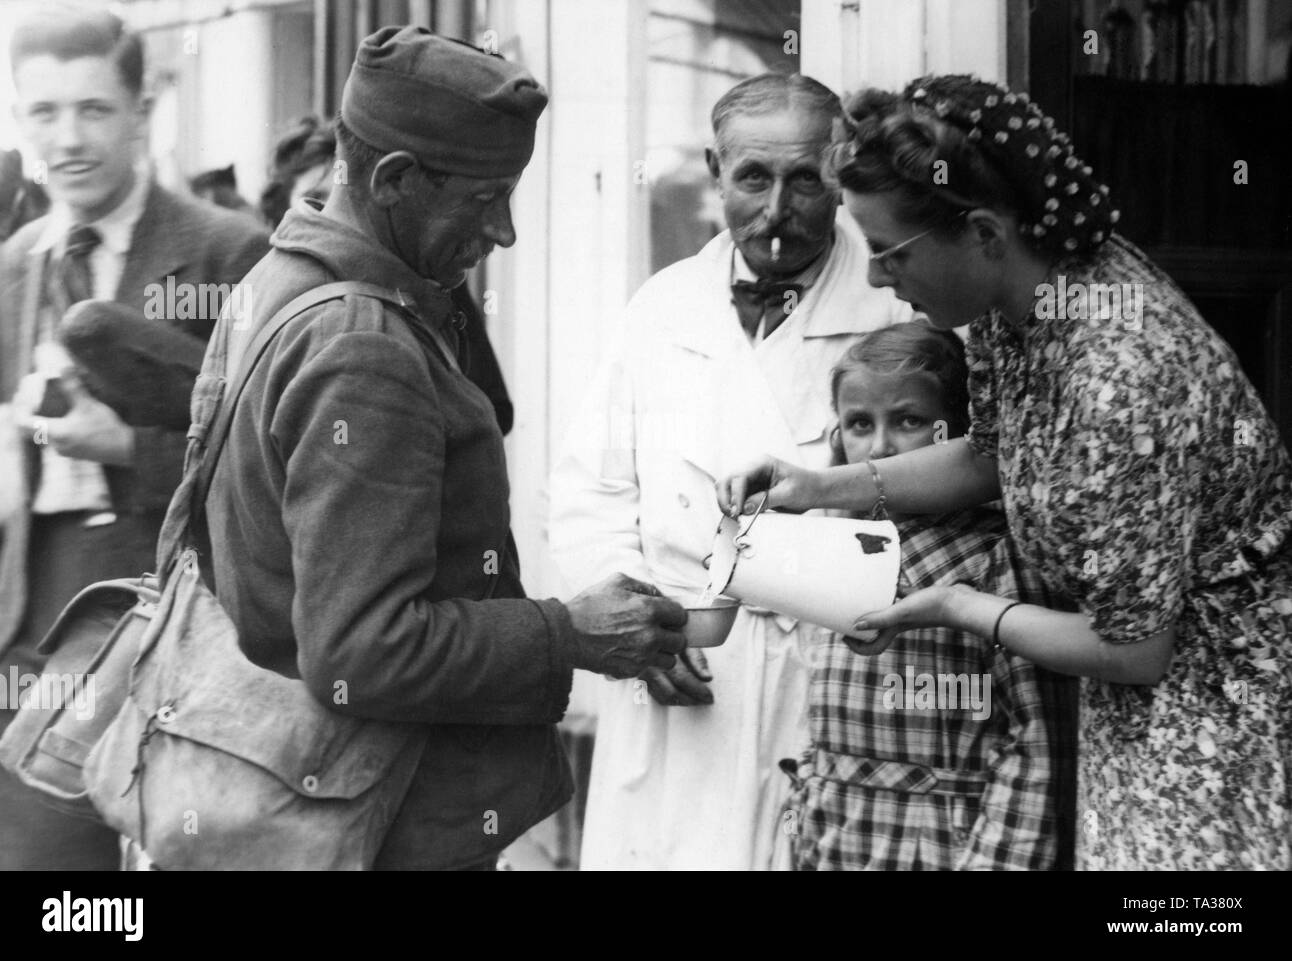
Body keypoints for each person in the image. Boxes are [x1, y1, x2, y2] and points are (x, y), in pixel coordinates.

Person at [719, 74, 1292, 871]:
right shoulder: (1013, 299)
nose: (878, 279)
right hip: (1131, 696)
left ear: (983, 232)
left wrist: (960, 605)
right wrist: (816, 487)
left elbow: (1136, 649)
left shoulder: (1121, 379)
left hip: (1214, 716)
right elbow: (993, 454)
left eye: (888, 253)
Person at [199, 26, 686, 871]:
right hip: (375, 823)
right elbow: (363, 651)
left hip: (279, 798)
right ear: (393, 181)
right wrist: (567, 633)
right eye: (485, 197)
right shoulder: (364, 346)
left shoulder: (275, 280)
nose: (503, 231)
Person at [549, 73, 912, 870]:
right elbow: (590, 491)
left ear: (840, 175)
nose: (776, 209)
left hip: (828, 683)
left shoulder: (894, 313)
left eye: (805, 180)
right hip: (680, 688)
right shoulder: (662, 308)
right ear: (716, 169)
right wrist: (638, 626)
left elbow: (930, 513)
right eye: (752, 177)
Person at [0, 5, 271, 870]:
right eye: (43, 113)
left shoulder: (230, 253)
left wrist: (125, 447)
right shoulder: (10, 268)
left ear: (142, 112)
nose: (67, 138)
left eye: (93, 110)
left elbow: (272, 457)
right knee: (40, 867)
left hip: (178, 612)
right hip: (30, 608)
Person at [783, 323, 1059, 870]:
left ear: (959, 433)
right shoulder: (836, 544)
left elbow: (1037, 743)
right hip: (839, 833)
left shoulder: (996, 555)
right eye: (859, 424)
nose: (879, 448)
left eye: (909, 421)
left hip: (940, 838)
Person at [261, 115, 516, 435]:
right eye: (318, 199)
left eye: (342, 195)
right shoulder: (277, 290)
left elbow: (494, 404)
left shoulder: (427, 283)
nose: (338, 213)